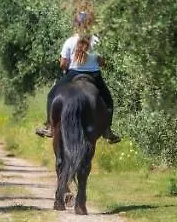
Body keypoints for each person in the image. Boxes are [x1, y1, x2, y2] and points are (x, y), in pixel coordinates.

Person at [36, 11, 120, 142]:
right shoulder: (96, 41)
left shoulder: (69, 41)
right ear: (89, 25)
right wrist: (100, 62)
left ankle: (50, 127)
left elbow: (64, 64)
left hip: (73, 74)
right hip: (94, 76)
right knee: (108, 100)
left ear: (76, 25)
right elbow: (102, 62)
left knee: (51, 95)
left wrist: (65, 66)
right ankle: (107, 130)